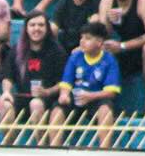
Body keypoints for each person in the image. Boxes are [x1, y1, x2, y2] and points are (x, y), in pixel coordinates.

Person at [50, 20, 119, 148]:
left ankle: (105, 149)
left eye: (87, 38)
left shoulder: (109, 60)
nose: (82, 41)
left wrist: (90, 96)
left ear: (99, 42)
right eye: (81, 38)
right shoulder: (75, 57)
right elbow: (66, 82)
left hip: (97, 99)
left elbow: (111, 91)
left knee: (105, 110)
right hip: (76, 97)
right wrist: (64, 94)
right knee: (57, 109)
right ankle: (54, 148)